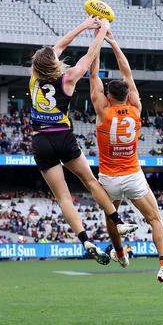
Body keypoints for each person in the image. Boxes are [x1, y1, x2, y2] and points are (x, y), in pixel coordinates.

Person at [29, 17, 135, 266]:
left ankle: (85, 240)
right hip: (62, 136)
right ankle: (117, 222)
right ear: (54, 64)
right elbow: (90, 55)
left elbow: (57, 49)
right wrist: (99, 30)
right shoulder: (68, 79)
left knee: (63, 198)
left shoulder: (33, 77)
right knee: (89, 180)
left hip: (40, 141)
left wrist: (84, 25)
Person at [89, 29, 163, 295]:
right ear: (127, 96)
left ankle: (120, 254)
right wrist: (114, 42)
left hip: (109, 178)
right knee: (155, 219)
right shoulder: (136, 109)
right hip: (133, 175)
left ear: (108, 96)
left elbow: (93, 75)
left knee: (110, 217)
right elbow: (127, 74)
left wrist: (97, 39)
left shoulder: (102, 110)